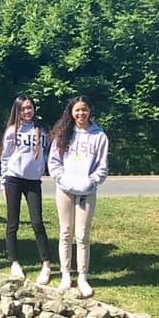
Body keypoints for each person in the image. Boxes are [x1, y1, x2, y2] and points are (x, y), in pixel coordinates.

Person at [48, 95, 109, 298]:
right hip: (64, 189)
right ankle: (66, 274)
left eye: (84, 109)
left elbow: (102, 167)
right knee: (65, 233)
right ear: (71, 112)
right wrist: (61, 179)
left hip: (87, 192)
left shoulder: (99, 135)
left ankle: (82, 276)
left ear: (90, 110)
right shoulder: (63, 133)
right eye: (77, 110)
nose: (80, 113)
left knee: (82, 235)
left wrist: (91, 182)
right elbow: (54, 162)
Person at [0, 95, 52, 285]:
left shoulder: (42, 130)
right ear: (17, 111)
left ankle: (46, 264)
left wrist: (43, 169)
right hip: (13, 179)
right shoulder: (12, 131)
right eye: (23, 109)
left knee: (37, 222)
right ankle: (14, 262)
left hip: (33, 181)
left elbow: (47, 153)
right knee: (12, 223)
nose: (27, 112)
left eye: (29, 108)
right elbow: (5, 158)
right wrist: (3, 182)